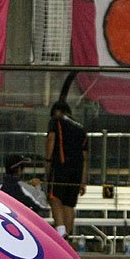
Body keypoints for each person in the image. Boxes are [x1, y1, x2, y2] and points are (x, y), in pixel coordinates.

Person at [44, 100, 88, 239]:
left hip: (61, 165)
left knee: (54, 197)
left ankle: (61, 231)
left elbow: (51, 138)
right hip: (77, 170)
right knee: (69, 204)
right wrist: (83, 180)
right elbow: (84, 157)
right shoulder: (81, 129)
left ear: (57, 112)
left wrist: (48, 160)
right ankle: (66, 238)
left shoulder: (56, 121)